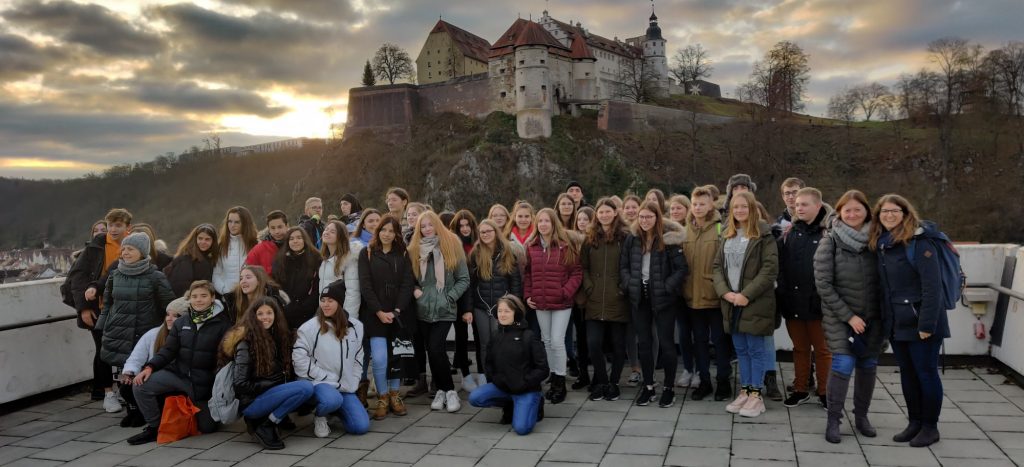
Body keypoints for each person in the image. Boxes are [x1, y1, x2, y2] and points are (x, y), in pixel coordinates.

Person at [870, 194, 948, 447]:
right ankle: (914, 422)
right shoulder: (883, 243)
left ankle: (930, 426)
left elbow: (932, 287)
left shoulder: (920, 242)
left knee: (926, 374)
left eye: (894, 211)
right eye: (884, 211)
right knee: (907, 374)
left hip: (921, 322)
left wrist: (927, 324)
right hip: (897, 322)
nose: (889, 215)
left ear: (905, 213)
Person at [814, 190, 886, 444]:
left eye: (858, 209)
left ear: (867, 211)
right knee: (843, 364)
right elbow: (823, 284)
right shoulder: (830, 241)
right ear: (840, 213)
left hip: (873, 318)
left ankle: (862, 417)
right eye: (847, 210)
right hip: (840, 317)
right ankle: (834, 420)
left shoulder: (879, 240)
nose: (853, 214)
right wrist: (849, 317)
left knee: (868, 365)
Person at [128, 280, 232, 444]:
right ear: (189, 299)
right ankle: (155, 427)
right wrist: (150, 367)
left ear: (212, 298)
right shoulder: (182, 322)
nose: (198, 300)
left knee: (207, 427)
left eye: (203, 296)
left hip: (203, 383)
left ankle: (186, 411)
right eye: (194, 296)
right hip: (178, 374)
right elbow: (168, 350)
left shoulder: (224, 324)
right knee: (141, 385)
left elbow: (225, 359)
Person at [95, 231, 176, 422]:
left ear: (142, 252)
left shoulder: (156, 277)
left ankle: (144, 410)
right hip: (118, 331)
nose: (125, 252)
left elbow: (169, 305)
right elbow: (107, 304)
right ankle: (133, 409)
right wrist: (102, 327)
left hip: (144, 332)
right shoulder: (115, 275)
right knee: (126, 373)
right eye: (123, 249)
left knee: (141, 372)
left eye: (130, 249)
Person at [713, 192, 778, 418]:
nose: (739, 211)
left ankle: (756, 396)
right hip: (731, 302)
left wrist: (746, 295)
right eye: (735, 207)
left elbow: (770, 269)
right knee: (741, 350)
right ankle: (745, 390)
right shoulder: (727, 234)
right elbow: (716, 267)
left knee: (755, 349)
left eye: (744, 207)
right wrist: (725, 293)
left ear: (752, 208)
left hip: (755, 302)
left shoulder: (763, 235)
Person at [222, 298, 314, 449]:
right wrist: (273, 383)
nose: (265, 317)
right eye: (260, 314)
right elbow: (240, 385)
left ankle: (271, 420)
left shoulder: (279, 338)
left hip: (270, 395)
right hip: (251, 403)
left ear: (276, 315)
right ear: (253, 317)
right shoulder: (246, 343)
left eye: (269, 313)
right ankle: (265, 423)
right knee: (305, 388)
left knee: (308, 390)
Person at [620, 201, 687, 408]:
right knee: (645, 344)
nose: (645, 221)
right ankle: (648, 386)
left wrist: (667, 287)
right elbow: (623, 266)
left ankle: (668, 388)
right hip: (640, 297)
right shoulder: (632, 240)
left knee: (667, 344)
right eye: (641, 217)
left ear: (657, 218)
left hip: (664, 299)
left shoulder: (668, 240)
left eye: (649, 217)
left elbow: (682, 269)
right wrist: (631, 285)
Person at [67, 208, 132, 408]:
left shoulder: (132, 245)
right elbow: (77, 278)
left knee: (125, 350)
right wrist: (84, 308)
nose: (113, 229)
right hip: (99, 308)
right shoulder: (96, 247)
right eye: (110, 225)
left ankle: (124, 389)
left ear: (127, 228)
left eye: (118, 225)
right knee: (103, 351)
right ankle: (108, 394)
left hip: (125, 307)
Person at [408, 211, 470, 412]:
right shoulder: (414, 250)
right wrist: (417, 292)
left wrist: (449, 297)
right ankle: (441, 391)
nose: (427, 229)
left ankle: (450, 391)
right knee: (432, 352)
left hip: (445, 308)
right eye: (422, 226)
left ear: (437, 226)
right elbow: (408, 278)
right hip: (423, 308)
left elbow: (464, 279)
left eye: (430, 225)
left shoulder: (452, 246)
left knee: (436, 348)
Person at [778, 187, 834, 409]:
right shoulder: (789, 233)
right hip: (793, 301)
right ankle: (800, 389)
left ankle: (825, 392)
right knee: (800, 349)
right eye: (797, 204)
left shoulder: (827, 232)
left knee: (822, 350)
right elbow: (781, 266)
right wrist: (783, 293)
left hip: (819, 304)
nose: (799, 208)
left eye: (805, 204)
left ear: (818, 206)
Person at [293, 281, 370, 438]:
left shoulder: (356, 327)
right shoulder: (309, 328)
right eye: (323, 300)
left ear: (340, 302)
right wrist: (326, 378)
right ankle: (321, 415)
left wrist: (353, 382)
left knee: (360, 426)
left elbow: (358, 357)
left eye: (330, 301)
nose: (325, 304)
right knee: (331, 399)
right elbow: (299, 361)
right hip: (319, 383)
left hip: (344, 386)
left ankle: (335, 410)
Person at [358, 215, 416, 420]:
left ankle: (394, 395)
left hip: (399, 314)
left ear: (396, 233)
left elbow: (408, 283)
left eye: (391, 231)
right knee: (381, 358)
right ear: (378, 231)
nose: (387, 234)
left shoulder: (402, 253)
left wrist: (398, 310)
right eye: (384, 230)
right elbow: (365, 286)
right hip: (375, 315)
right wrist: (379, 312)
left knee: (396, 357)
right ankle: (382, 396)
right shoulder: (367, 253)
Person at [523, 208, 582, 405]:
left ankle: (560, 381)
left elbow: (576, 273)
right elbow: (528, 273)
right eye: (540, 221)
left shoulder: (565, 246)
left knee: (557, 341)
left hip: (561, 303)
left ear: (553, 223)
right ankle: (551, 377)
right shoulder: (531, 247)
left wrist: (565, 292)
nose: (543, 224)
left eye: (547, 221)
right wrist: (528, 294)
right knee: (546, 340)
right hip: (540, 302)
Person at [469, 295, 549, 435]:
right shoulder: (495, 336)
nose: (502, 314)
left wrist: (525, 382)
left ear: (516, 313)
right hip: (504, 388)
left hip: (526, 389)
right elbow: (489, 364)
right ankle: (509, 404)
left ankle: (537, 402)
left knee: (521, 429)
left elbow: (543, 369)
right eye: (500, 311)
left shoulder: (529, 336)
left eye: (507, 311)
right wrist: (496, 380)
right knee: (475, 398)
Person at [682, 186, 732, 401]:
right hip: (691, 296)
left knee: (720, 341)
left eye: (702, 203)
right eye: (695, 204)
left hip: (714, 295)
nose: (698, 208)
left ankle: (723, 381)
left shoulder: (721, 228)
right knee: (699, 341)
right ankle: (704, 381)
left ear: (712, 204)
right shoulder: (686, 229)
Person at [581, 198, 629, 402]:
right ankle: (600, 382)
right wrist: (589, 286)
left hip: (618, 299)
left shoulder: (625, 238)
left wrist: (622, 288)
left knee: (618, 346)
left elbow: (629, 266)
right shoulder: (590, 237)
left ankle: (614, 383)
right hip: (594, 300)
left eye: (608, 211)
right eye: (600, 212)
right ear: (596, 215)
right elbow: (582, 267)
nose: (604, 215)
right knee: (593, 344)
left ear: (615, 213)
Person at [467, 219, 523, 391]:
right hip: (481, 307)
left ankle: (504, 374)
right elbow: (470, 284)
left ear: (495, 232)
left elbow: (515, 281)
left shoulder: (508, 251)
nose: (485, 234)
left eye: (488, 231)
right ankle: (486, 376)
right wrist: (469, 308)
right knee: (485, 344)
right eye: (482, 232)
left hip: (503, 307)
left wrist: (514, 305)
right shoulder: (476, 253)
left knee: (502, 342)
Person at [119, 297, 189, 427]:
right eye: (168, 314)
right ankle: (138, 412)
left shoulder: (188, 335)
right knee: (126, 386)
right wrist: (129, 372)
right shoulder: (153, 334)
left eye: (176, 316)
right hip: (151, 375)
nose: (169, 318)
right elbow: (135, 358)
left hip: (175, 381)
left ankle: (152, 419)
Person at [450, 210, 479, 389]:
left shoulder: (479, 244)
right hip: (459, 296)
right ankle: (465, 375)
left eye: (468, 225)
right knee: (460, 337)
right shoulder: (453, 246)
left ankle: (484, 373)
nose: (465, 229)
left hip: (477, 296)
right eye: (461, 226)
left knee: (479, 336)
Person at [271, 227, 323, 329]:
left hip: (308, 312)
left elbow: (317, 287)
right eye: (291, 238)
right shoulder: (280, 260)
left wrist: (306, 307)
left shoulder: (316, 258)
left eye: (299, 237)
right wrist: (285, 306)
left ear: (305, 239)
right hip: (285, 311)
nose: (295, 241)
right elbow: (276, 285)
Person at [318, 220, 364, 317]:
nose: (327, 232)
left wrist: (348, 319)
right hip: (327, 314)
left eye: (332, 232)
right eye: (326, 229)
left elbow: (353, 293)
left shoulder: (349, 259)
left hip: (341, 316)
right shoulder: (324, 260)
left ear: (341, 237)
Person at [212, 206, 259, 295]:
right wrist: (223, 290)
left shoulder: (256, 245)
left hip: (251, 296)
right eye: (230, 221)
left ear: (245, 223)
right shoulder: (221, 245)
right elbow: (216, 273)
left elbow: (261, 273)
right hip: (227, 296)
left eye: (237, 222)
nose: (232, 225)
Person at [164, 223, 219, 297]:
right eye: (200, 238)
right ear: (195, 239)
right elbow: (180, 287)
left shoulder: (209, 259)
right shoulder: (185, 259)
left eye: (207, 239)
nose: (203, 242)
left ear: (213, 241)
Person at [223, 265, 289, 324]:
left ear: (259, 281)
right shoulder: (232, 302)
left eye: (248, 277)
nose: (243, 281)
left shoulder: (274, 301)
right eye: (241, 278)